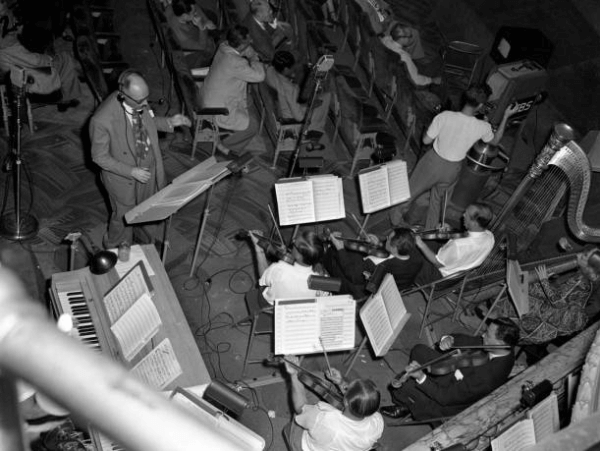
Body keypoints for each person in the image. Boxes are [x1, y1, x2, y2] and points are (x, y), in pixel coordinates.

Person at [390, 84, 518, 229]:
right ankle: (429, 230)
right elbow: (495, 141)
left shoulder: (444, 116)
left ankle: (395, 222)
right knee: (437, 202)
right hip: (453, 169)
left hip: (433, 162)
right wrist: (506, 116)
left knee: (410, 192)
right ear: (480, 105)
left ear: (465, 98)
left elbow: (426, 140)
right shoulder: (483, 127)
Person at [90, 69, 191, 248]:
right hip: (123, 178)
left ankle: (141, 236)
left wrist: (170, 122)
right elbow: (99, 157)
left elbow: (148, 122)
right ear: (123, 96)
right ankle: (114, 247)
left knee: (145, 207)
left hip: (148, 167)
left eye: (146, 98)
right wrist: (131, 171)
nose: (146, 104)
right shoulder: (102, 120)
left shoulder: (138, 101)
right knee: (123, 215)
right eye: (141, 100)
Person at [380, 317, 520, 421]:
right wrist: (449, 339)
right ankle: (408, 397)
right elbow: (468, 341)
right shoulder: (501, 348)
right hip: (458, 371)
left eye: (488, 335)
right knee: (419, 351)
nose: (483, 335)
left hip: (447, 400)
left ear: (500, 344)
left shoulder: (487, 378)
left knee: (405, 387)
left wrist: (421, 378)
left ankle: (405, 405)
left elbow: (445, 397)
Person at [492, 248, 600, 356]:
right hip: (548, 316)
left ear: (590, 267)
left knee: (518, 287)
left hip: (542, 321)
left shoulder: (580, 282)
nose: (581, 254)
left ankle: (494, 325)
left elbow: (558, 303)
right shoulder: (582, 277)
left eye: (585, 256)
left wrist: (543, 281)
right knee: (522, 281)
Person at [284, 355, 384, 451]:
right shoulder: (378, 422)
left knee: (302, 396)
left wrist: (293, 375)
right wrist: (341, 382)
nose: (346, 387)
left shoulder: (325, 419)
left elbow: (300, 407)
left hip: (305, 446)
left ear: (346, 402)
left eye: (347, 389)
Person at [200, 24, 265, 154]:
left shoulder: (223, 46)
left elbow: (243, 49)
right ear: (241, 45)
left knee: (249, 101)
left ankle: (240, 136)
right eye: (248, 40)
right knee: (252, 126)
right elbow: (260, 76)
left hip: (208, 95)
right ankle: (226, 146)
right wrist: (254, 58)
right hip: (216, 108)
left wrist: (245, 49)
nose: (251, 41)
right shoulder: (236, 62)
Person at [322, 228, 424, 299]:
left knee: (335, 256)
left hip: (362, 290)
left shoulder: (379, 264)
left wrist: (340, 249)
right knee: (353, 253)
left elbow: (352, 274)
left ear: (394, 248)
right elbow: (392, 252)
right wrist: (378, 244)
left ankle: (324, 253)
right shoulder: (417, 256)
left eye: (388, 239)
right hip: (391, 287)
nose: (386, 238)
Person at [0, 22, 82, 110]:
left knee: (63, 59)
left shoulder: (7, 43)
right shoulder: (8, 45)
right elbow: (34, 61)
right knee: (64, 59)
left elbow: (26, 58)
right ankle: (66, 98)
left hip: (20, 72)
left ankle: (66, 98)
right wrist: (48, 58)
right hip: (28, 76)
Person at [415, 203, 495, 284]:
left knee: (411, 250)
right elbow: (468, 238)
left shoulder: (458, 245)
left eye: (466, 215)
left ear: (475, 223)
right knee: (431, 240)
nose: (463, 215)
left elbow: (437, 263)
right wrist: (450, 230)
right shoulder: (490, 237)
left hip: (438, 278)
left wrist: (420, 244)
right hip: (457, 275)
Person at [265, 50, 332, 142]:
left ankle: (315, 130)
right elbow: (299, 117)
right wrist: (311, 105)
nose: (294, 68)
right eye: (292, 67)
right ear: (286, 69)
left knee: (309, 91)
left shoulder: (269, 70)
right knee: (325, 97)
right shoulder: (290, 89)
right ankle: (313, 132)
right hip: (288, 118)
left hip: (281, 105)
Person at [250, 229, 329, 304]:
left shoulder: (279, 268)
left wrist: (259, 250)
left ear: (298, 255)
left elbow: (263, 279)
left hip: (271, 308)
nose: (293, 241)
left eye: (294, 244)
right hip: (300, 312)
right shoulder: (322, 282)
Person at [381, 23, 440, 87]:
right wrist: (432, 80)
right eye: (410, 36)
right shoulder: (404, 57)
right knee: (435, 66)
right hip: (407, 80)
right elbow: (416, 80)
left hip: (390, 66)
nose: (411, 38)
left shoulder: (385, 39)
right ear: (402, 39)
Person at [165, 0, 216, 69]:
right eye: (193, 12)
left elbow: (194, 6)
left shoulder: (172, 8)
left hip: (191, 31)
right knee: (211, 47)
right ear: (185, 16)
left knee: (211, 16)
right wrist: (202, 26)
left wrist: (206, 20)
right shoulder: (183, 37)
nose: (195, 12)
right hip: (192, 52)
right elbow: (202, 47)